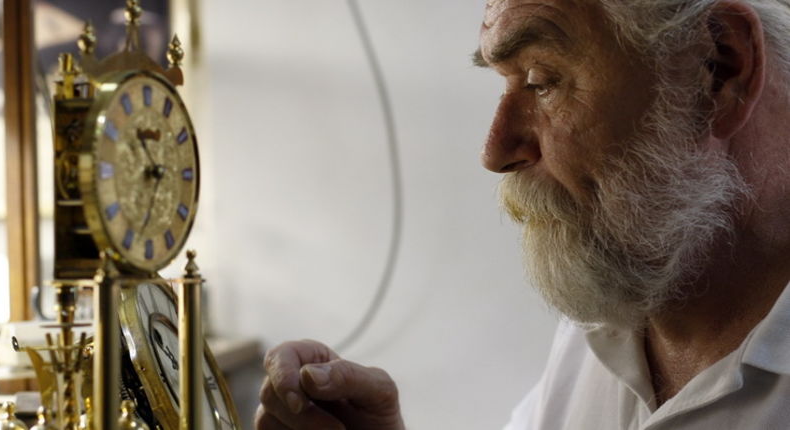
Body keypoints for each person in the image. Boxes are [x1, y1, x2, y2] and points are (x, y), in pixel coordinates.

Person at [255, 0, 790, 428]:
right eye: (503, 81)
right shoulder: (614, 298)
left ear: (717, 68)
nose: (494, 150)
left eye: (540, 80)